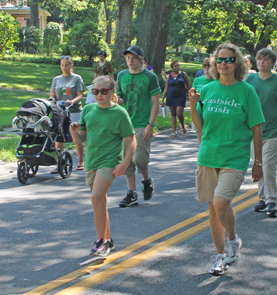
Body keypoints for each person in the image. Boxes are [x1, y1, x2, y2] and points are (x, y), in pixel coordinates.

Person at [189, 43, 264, 276]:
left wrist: (258, 162)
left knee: (221, 202)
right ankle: (221, 256)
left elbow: (257, 128)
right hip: (208, 156)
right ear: (214, 64)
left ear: (237, 64)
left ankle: (233, 240)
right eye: (219, 60)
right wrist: (193, 105)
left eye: (229, 60)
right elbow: (200, 125)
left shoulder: (246, 91)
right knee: (213, 210)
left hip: (235, 157)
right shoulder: (208, 89)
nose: (223, 64)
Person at [70, 76, 136, 257]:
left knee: (96, 198)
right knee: (100, 202)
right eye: (96, 91)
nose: (99, 95)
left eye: (104, 91)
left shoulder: (120, 113)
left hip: (110, 161)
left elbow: (131, 140)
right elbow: (82, 138)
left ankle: (101, 241)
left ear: (112, 92)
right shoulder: (88, 110)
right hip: (92, 161)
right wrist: (75, 134)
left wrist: (124, 163)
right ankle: (108, 240)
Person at [245, 48, 277, 216]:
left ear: (273, 63)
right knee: (258, 164)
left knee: (268, 165)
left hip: (273, 131)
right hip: (254, 132)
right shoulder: (250, 80)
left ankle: (271, 200)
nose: (262, 62)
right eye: (259, 59)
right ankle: (262, 198)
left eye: (266, 59)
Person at [116, 45, 161, 207]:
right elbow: (118, 97)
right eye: (127, 58)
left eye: (133, 58)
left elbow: (155, 103)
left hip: (143, 123)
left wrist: (151, 124)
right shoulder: (121, 75)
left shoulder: (150, 77)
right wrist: (118, 100)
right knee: (127, 161)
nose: (130, 61)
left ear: (141, 60)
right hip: (126, 124)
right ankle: (132, 194)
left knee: (139, 158)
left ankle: (146, 180)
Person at [50, 56, 86, 171]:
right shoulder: (56, 79)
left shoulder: (76, 78)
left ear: (71, 66)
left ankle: (81, 161)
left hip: (74, 111)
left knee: (76, 137)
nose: (64, 67)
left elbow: (80, 95)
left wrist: (72, 101)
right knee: (59, 138)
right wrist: (52, 101)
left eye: (66, 65)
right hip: (60, 111)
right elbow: (52, 95)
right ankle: (59, 163)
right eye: (62, 65)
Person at [161, 61, 191, 137]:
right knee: (173, 114)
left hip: (181, 96)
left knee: (179, 114)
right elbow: (166, 88)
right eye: (175, 66)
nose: (177, 67)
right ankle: (174, 132)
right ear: (172, 67)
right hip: (171, 96)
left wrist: (191, 95)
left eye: (178, 65)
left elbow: (188, 86)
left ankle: (183, 126)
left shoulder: (183, 74)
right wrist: (163, 99)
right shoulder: (169, 76)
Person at [191, 63, 215, 144]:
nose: (206, 67)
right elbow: (192, 95)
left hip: (211, 113)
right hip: (198, 112)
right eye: (204, 65)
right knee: (201, 142)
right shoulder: (197, 80)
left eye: (209, 65)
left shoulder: (217, 81)